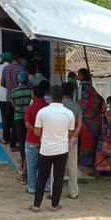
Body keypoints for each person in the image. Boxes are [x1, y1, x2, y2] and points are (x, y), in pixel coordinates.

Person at [28, 85, 75, 213]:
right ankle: (55, 205)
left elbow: (37, 132)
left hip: (46, 150)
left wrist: (46, 135)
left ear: (50, 97)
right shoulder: (69, 113)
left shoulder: (43, 112)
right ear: (63, 97)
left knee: (42, 177)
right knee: (58, 178)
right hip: (62, 150)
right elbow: (71, 133)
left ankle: (36, 205)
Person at [75, 68, 105, 167]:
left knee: (86, 141)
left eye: (78, 74)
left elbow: (83, 102)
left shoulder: (84, 87)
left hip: (87, 118)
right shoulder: (87, 87)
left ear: (83, 76)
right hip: (91, 119)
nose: (77, 76)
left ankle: (86, 161)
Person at [24, 84, 49, 194]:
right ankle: (47, 187)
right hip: (46, 140)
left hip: (31, 140)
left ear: (33, 94)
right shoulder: (48, 107)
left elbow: (27, 124)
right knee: (46, 165)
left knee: (31, 165)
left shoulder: (30, 108)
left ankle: (32, 187)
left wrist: (35, 132)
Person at [61, 82, 83, 199]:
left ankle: (54, 192)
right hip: (72, 139)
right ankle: (74, 192)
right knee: (72, 166)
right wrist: (74, 136)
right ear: (73, 92)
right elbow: (80, 124)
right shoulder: (76, 106)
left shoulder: (57, 105)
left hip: (58, 139)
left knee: (55, 166)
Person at [11, 71, 32, 182]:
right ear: (27, 81)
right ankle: (28, 161)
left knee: (21, 141)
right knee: (29, 140)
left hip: (18, 118)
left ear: (18, 81)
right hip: (29, 119)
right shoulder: (31, 91)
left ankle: (23, 160)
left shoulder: (14, 92)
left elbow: (13, 105)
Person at [1, 53, 23, 151]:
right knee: (16, 121)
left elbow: (2, 83)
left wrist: (10, 89)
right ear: (19, 59)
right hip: (18, 99)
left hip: (8, 98)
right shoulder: (21, 69)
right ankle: (14, 143)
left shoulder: (5, 68)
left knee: (7, 119)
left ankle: (6, 138)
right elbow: (23, 82)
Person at [0, 52, 11, 145]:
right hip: (11, 96)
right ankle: (13, 138)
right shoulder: (12, 67)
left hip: (1, 97)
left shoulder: (0, 67)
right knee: (11, 118)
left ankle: (6, 138)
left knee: (4, 117)